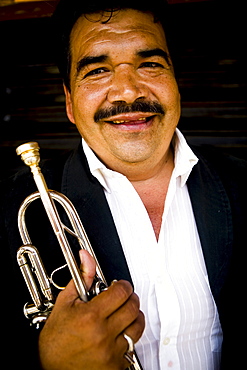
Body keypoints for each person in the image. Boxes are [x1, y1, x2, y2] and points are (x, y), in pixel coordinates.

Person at [1, 0, 246, 369]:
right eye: (98, 70)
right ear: (69, 102)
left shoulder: (243, 182)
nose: (128, 92)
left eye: (149, 64)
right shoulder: (9, 207)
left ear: (175, 82)